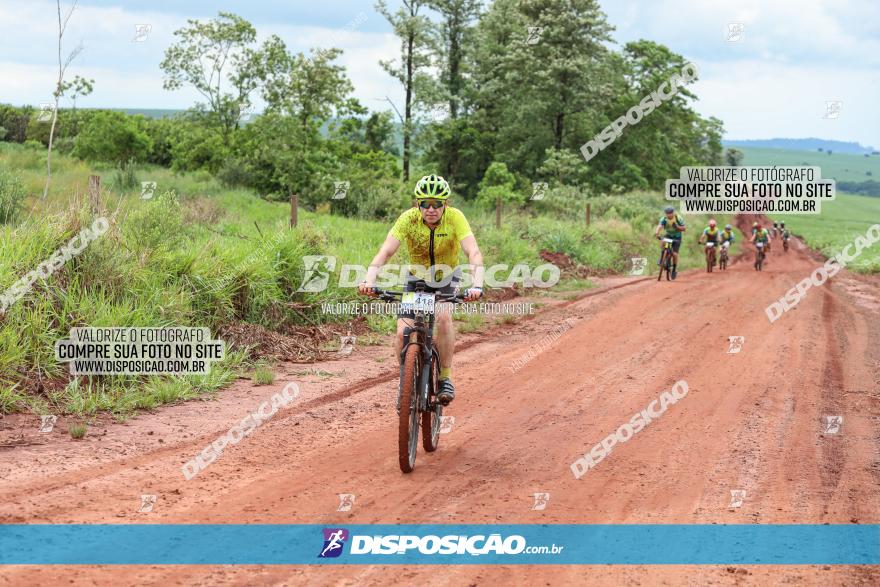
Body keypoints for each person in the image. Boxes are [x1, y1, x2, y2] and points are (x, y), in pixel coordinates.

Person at [358, 174, 483, 405]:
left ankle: (445, 377)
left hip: (447, 276)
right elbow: (385, 251)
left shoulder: (456, 218)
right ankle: (406, 383)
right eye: (425, 203)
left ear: (446, 204)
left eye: (437, 203)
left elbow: (472, 252)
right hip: (417, 278)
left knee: (443, 318)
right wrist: (368, 281)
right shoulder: (408, 219)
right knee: (401, 332)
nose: (431, 209)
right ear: (418, 204)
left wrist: (477, 285)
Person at [654, 206, 686, 279]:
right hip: (668, 235)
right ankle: (662, 258)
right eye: (667, 213)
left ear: (673, 212)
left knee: (674, 254)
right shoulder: (664, 219)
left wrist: (677, 227)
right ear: (665, 214)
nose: (669, 215)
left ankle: (674, 269)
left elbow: (684, 228)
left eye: (671, 213)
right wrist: (657, 233)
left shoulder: (678, 218)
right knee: (663, 242)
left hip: (677, 237)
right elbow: (660, 226)